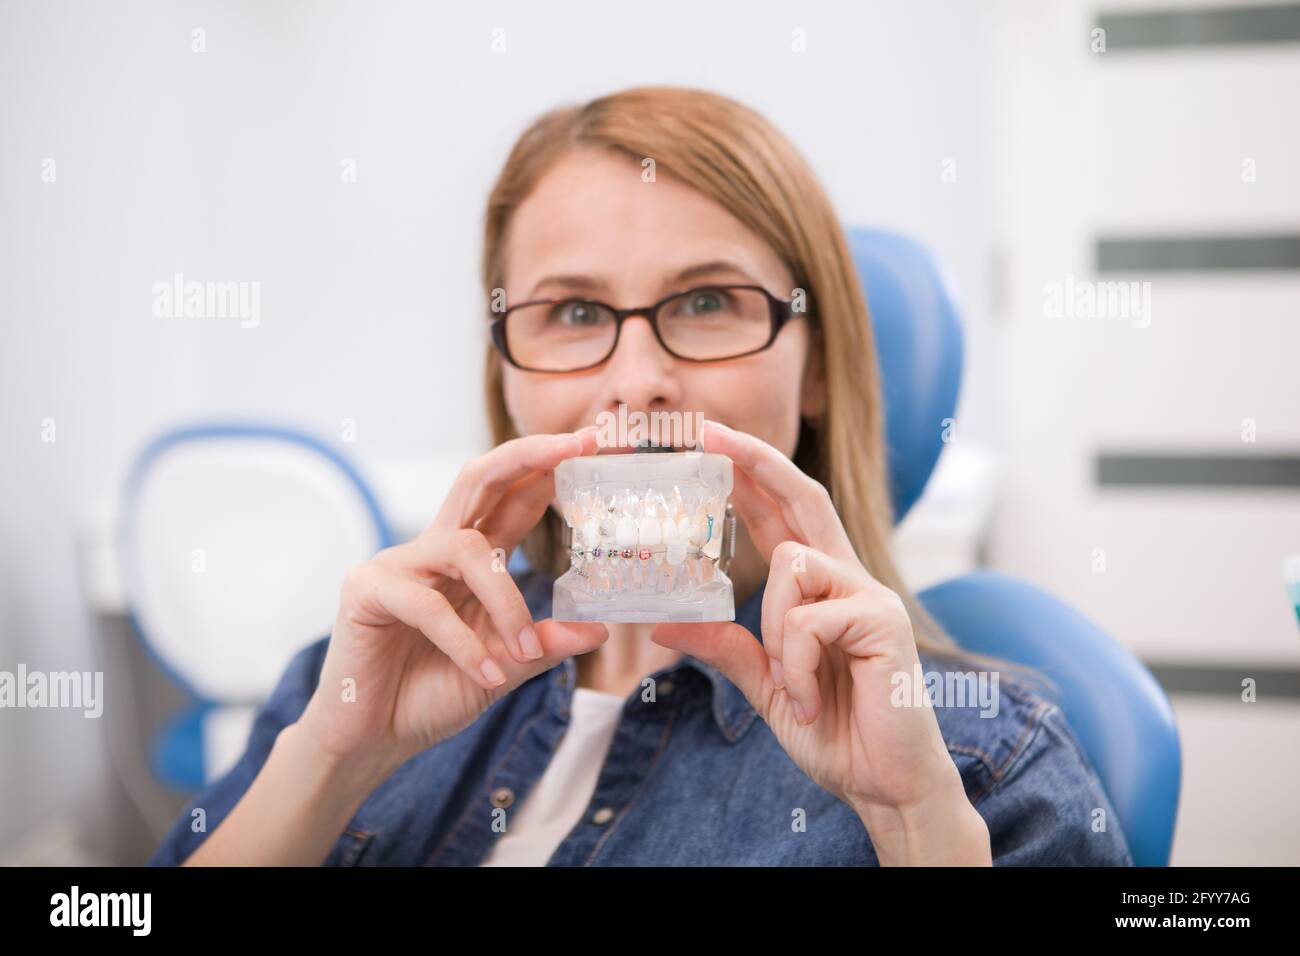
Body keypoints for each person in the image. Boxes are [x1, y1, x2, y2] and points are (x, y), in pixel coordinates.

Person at [149, 85, 1133, 866]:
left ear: (820, 362)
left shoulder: (978, 765)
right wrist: (332, 759)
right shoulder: (356, 679)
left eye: (706, 300)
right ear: (505, 372)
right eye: (573, 314)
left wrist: (918, 828)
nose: (635, 381)